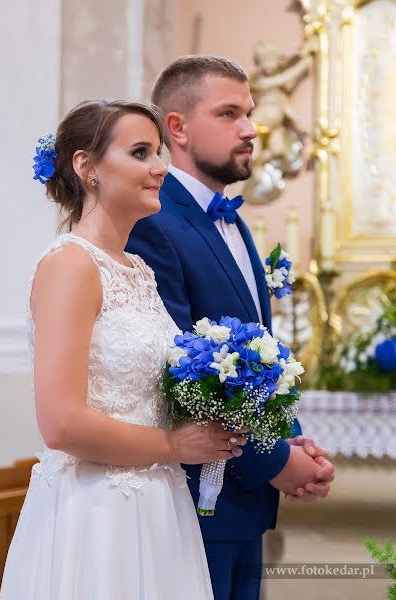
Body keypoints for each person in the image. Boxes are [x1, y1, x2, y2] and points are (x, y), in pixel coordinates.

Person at [0, 99, 249, 600]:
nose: (160, 167)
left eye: (158, 152)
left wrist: (216, 407)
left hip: (158, 506)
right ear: (86, 167)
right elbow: (61, 423)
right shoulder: (70, 266)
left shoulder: (138, 269)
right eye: (140, 152)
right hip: (96, 514)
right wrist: (175, 446)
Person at [126, 56, 335, 600]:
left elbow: (252, 362)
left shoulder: (234, 221)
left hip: (243, 508)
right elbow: (176, 373)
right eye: (229, 114)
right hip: (197, 500)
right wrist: (275, 462)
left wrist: (293, 444)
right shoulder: (153, 225)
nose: (250, 128)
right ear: (178, 127)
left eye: (249, 112)